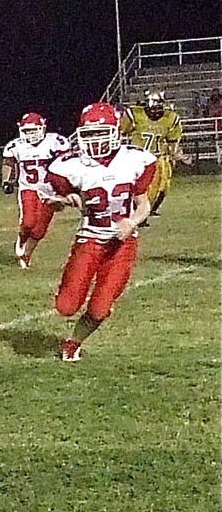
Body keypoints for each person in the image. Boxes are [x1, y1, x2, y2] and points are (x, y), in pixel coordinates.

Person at [46, 102, 157, 362]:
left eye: (101, 132)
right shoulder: (70, 165)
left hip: (122, 243)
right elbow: (56, 201)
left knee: (99, 308)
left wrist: (132, 222)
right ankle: (69, 294)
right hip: (90, 238)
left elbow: (144, 205)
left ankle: (73, 342)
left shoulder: (136, 160)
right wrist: (66, 200)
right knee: (66, 306)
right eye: (90, 133)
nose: (95, 139)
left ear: (116, 131)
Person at [0, 112, 71, 268]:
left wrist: (66, 189)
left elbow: (68, 164)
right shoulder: (16, 145)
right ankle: (22, 237)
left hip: (51, 190)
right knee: (28, 222)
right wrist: (6, 180)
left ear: (42, 128)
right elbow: (8, 163)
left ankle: (27, 255)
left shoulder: (55, 142)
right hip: (29, 187)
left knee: (39, 230)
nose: (30, 134)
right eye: (27, 131)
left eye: (33, 130)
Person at [120, 90, 188, 217]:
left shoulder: (170, 118)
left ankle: (151, 210)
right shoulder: (135, 114)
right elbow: (121, 131)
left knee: (163, 186)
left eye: (157, 106)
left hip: (158, 157)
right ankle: (138, 211)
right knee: (141, 188)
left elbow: (172, 142)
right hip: (138, 158)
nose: (154, 110)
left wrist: (178, 155)